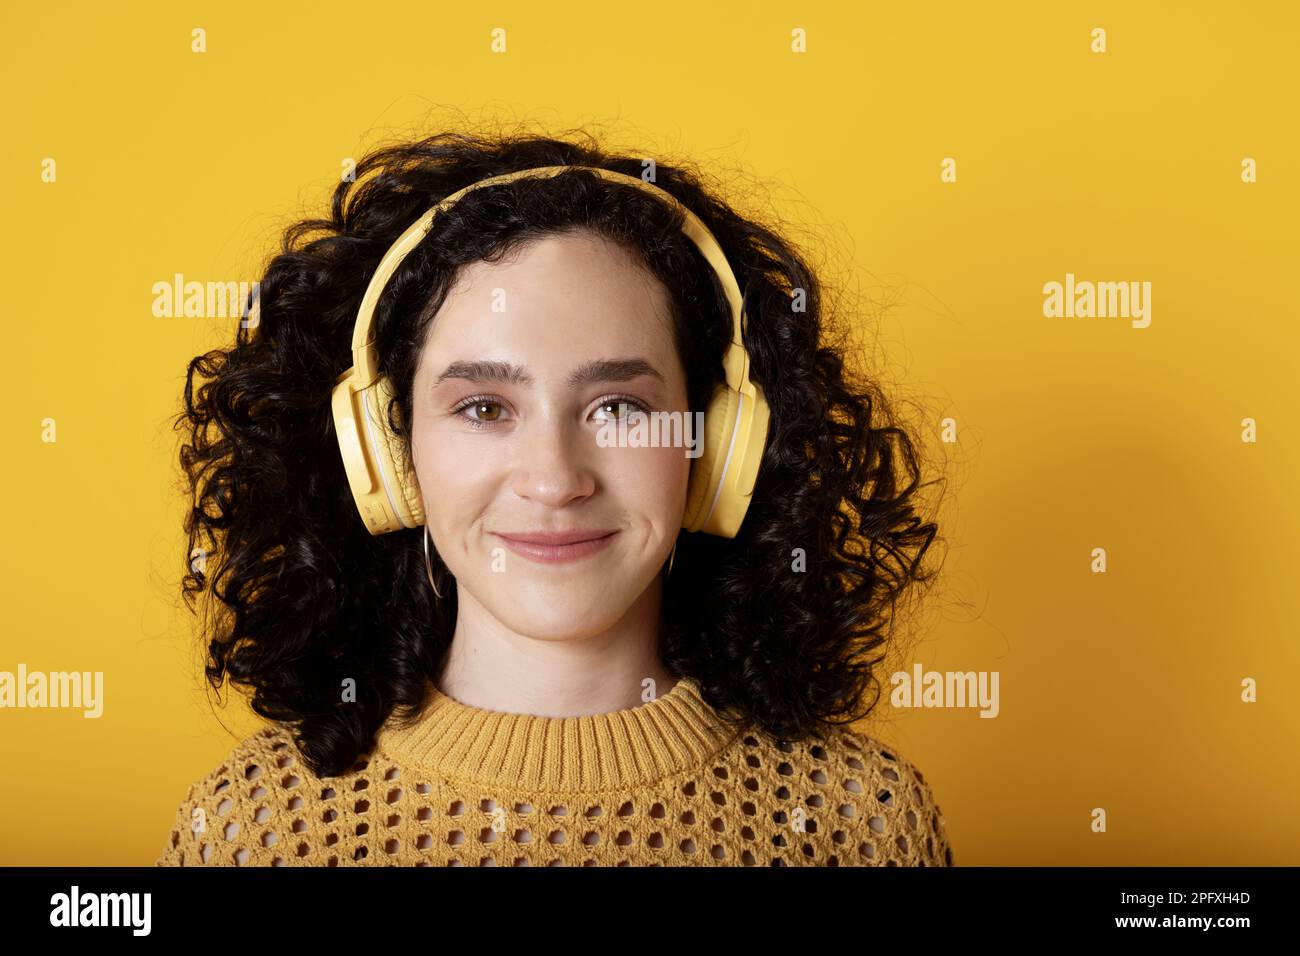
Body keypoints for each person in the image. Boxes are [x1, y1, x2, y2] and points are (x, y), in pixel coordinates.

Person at [156, 128, 953, 867]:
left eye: (619, 408)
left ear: (717, 444)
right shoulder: (258, 830)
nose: (554, 479)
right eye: (483, 408)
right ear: (390, 453)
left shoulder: (859, 824)